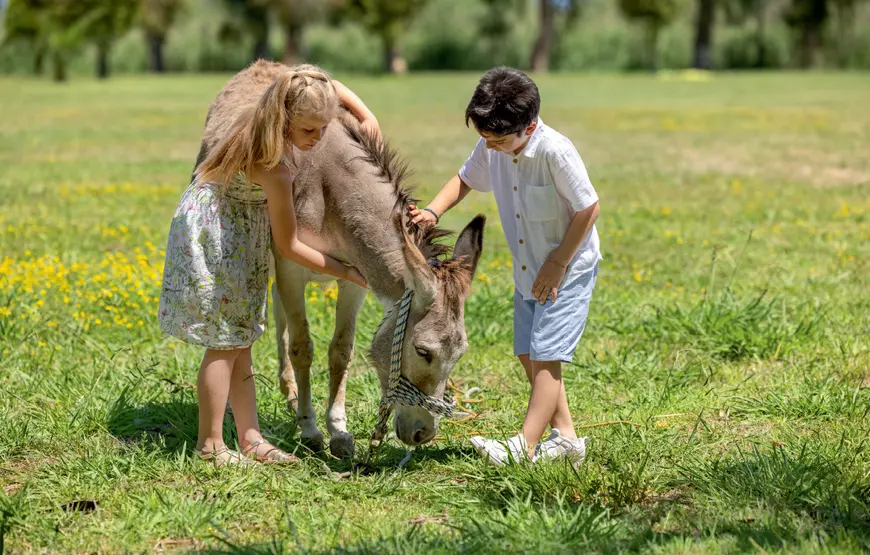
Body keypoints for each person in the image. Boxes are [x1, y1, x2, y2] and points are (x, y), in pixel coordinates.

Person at [159, 64, 376, 466]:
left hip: (234, 232)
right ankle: (210, 446)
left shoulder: (269, 111)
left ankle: (251, 438)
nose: (318, 139)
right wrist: (344, 271)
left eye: (325, 128)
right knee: (224, 344)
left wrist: (366, 115)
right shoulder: (274, 166)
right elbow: (290, 246)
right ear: (287, 118)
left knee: (241, 342)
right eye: (310, 131)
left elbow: (329, 86)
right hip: (219, 237)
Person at [409, 66, 601, 466]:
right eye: (483, 137)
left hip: (566, 270)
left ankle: (523, 446)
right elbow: (464, 179)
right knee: (528, 353)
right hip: (528, 270)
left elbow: (588, 208)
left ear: (528, 127)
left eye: (497, 139)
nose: (489, 146)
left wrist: (559, 262)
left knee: (547, 355)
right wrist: (432, 211)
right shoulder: (492, 146)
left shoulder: (554, 151)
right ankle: (566, 440)